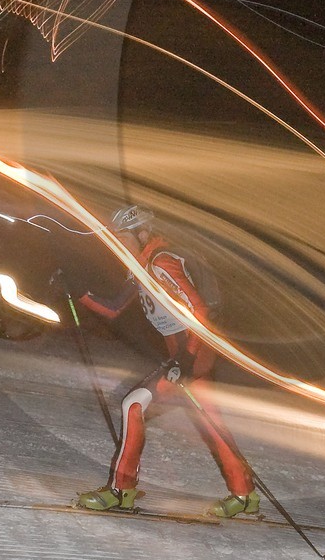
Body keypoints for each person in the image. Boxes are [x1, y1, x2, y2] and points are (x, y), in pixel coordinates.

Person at [72, 205, 257, 517]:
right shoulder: (141, 265)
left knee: (133, 404)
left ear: (143, 234)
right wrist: (79, 293)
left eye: (124, 237)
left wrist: (185, 359)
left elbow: (199, 311)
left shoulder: (162, 263)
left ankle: (121, 490)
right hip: (188, 352)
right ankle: (244, 495)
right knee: (210, 421)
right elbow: (115, 308)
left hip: (193, 350)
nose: (119, 244)